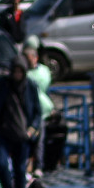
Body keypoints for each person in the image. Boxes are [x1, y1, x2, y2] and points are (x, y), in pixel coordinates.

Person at [0, 59, 41, 188]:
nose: (17, 74)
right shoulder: (1, 84)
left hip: (22, 135)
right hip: (2, 132)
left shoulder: (30, 86)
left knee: (20, 169)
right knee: (1, 164)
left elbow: (37, 111)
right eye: (15, 71)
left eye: (20, 71)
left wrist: (32, 129)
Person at [22, 44, 55, 174]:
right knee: (27, 140)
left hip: (40, 110)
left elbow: (44, 86)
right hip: (27, 112)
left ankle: (38, 166)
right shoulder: (25, 73)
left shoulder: (41, 72)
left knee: (39, 140)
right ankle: (27, 166)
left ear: (35, 58)